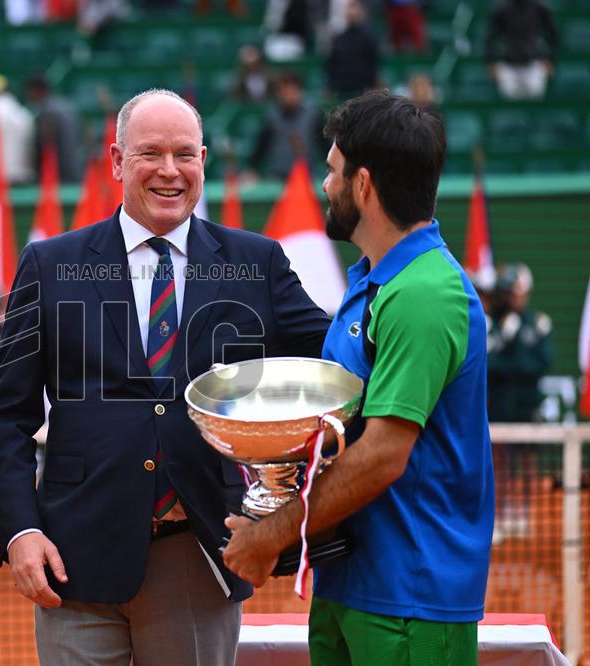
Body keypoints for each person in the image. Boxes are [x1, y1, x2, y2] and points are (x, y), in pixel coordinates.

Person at [0, 89, 331, 665]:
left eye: (185, 154)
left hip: (199, 555)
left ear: (203, 161)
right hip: (74, 559)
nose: (169, 171)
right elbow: (7, 418)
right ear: (116, 161)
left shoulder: (259, 263)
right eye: (151, 154)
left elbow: (331, 359)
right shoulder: (49, 265)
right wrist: (19, 531)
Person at [223, 90, 495, 665]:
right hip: (350, 582)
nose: (326, 185)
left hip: (409, 599)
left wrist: (273, 535)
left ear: (363, 185)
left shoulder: (423, 294)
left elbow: (381, 456)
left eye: (332, 171)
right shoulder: (375, 281)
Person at [487, 263, 553, 541]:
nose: (514, 298)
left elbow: (541, 362)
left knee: (527, 462)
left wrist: (513, 364)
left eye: (518, 293)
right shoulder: (494, 324)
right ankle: (500, 516)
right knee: (500, 463)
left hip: (528, 406)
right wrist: (505, 337)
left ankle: (522, 514)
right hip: (500, 407)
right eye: (509, 293)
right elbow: (489, 363)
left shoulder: (539, 323)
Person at [244, 71, 328, 182]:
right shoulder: (271, 117)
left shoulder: (313, 115)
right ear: (279, 93)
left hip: (306, 178)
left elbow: (325, 147)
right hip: (277, 178)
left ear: (300, 91)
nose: (289, 95)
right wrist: (252, 169)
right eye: (285, 90)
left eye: (293, 90)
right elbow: (260, 147)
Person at [485, 0, 558, 100]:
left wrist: (550, 59)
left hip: (534, 65)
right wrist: (490, 62)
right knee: (509, 107)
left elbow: (553, 35)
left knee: (535, 102)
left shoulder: (539, 9)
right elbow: (490, 38)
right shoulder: (501, 10)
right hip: (508, 66)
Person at [25, 75, 84, 184]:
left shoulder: (47, 112)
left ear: (36, 90)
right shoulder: (68, 106)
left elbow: (46, 146)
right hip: (78, 168)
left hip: (60, 174)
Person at [326, 0, 379, 98]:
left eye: (355, 14)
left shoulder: (369, 39)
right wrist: (331, 86)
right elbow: (331, 64)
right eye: (350, 14)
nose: (353, 16)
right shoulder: (339, 39)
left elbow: (374, 64)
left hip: (363, 90)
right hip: (342, 91)